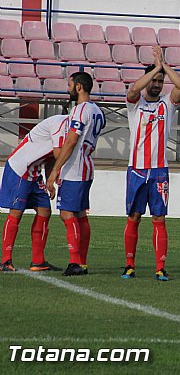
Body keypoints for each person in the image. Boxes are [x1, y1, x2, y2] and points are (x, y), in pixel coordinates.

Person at [121, 45, 180, 282]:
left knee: (159, 218)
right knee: (134, 217)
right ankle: (129, 265)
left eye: (160, 81)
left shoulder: (167, 105)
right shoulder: (135, 104)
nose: (157, 84)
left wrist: (164, 66)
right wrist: (154, 68)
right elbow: (133, 89)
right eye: (154, 80)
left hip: (159, 171)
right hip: (136, 169)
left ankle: (160, 267)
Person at [46, 71, 105, 276]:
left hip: (75, 168)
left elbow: (71, 141)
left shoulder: (81, 110)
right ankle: (82, 262)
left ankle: (75, 262)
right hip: (87, 166)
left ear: (79, 87)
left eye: (70, 84)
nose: (68, 88)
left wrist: (54, 171)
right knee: (80, 214)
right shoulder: (98, 111)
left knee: (66, 214)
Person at [0, 115, 68, 272]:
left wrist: (51, 179)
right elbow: (59, 154)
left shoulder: (70, 129)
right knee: (16, 212)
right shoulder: (60, 123)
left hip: (34, 171)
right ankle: (5, 261)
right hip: (20, 168)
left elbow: (51, 159)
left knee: (45, 210)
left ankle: (38, 261)